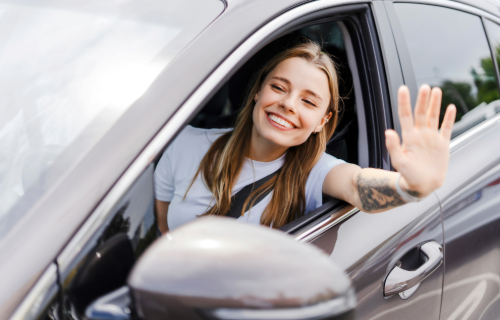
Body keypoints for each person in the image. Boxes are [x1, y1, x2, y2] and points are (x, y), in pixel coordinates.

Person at [154, 41, 456, 233]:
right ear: (258, 90)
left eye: (309, 102)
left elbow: (357, 185)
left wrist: (410, 187)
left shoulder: (315, 172)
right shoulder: (184, 145)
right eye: (279, 87)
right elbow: (164, 233)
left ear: (322, 121)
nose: (288, 104)